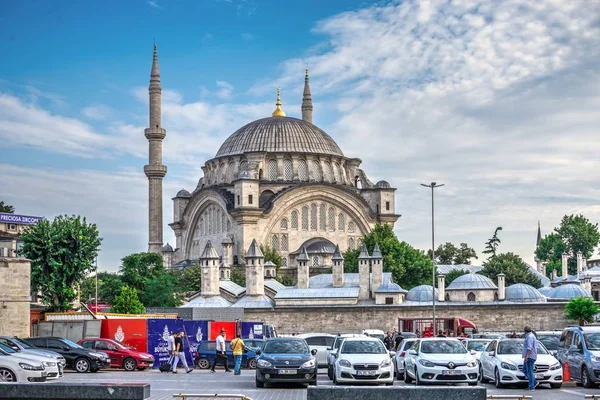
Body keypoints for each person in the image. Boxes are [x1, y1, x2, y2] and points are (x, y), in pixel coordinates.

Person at [522, 326, 538, 391]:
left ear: (525, 331)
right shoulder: (530, 336)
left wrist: (526, 356)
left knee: (529, 371)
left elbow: (529, 348)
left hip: (530, 356)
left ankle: (532, 386)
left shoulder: (529, 337)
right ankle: (534, 382)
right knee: (525, 370)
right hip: (530, 356)